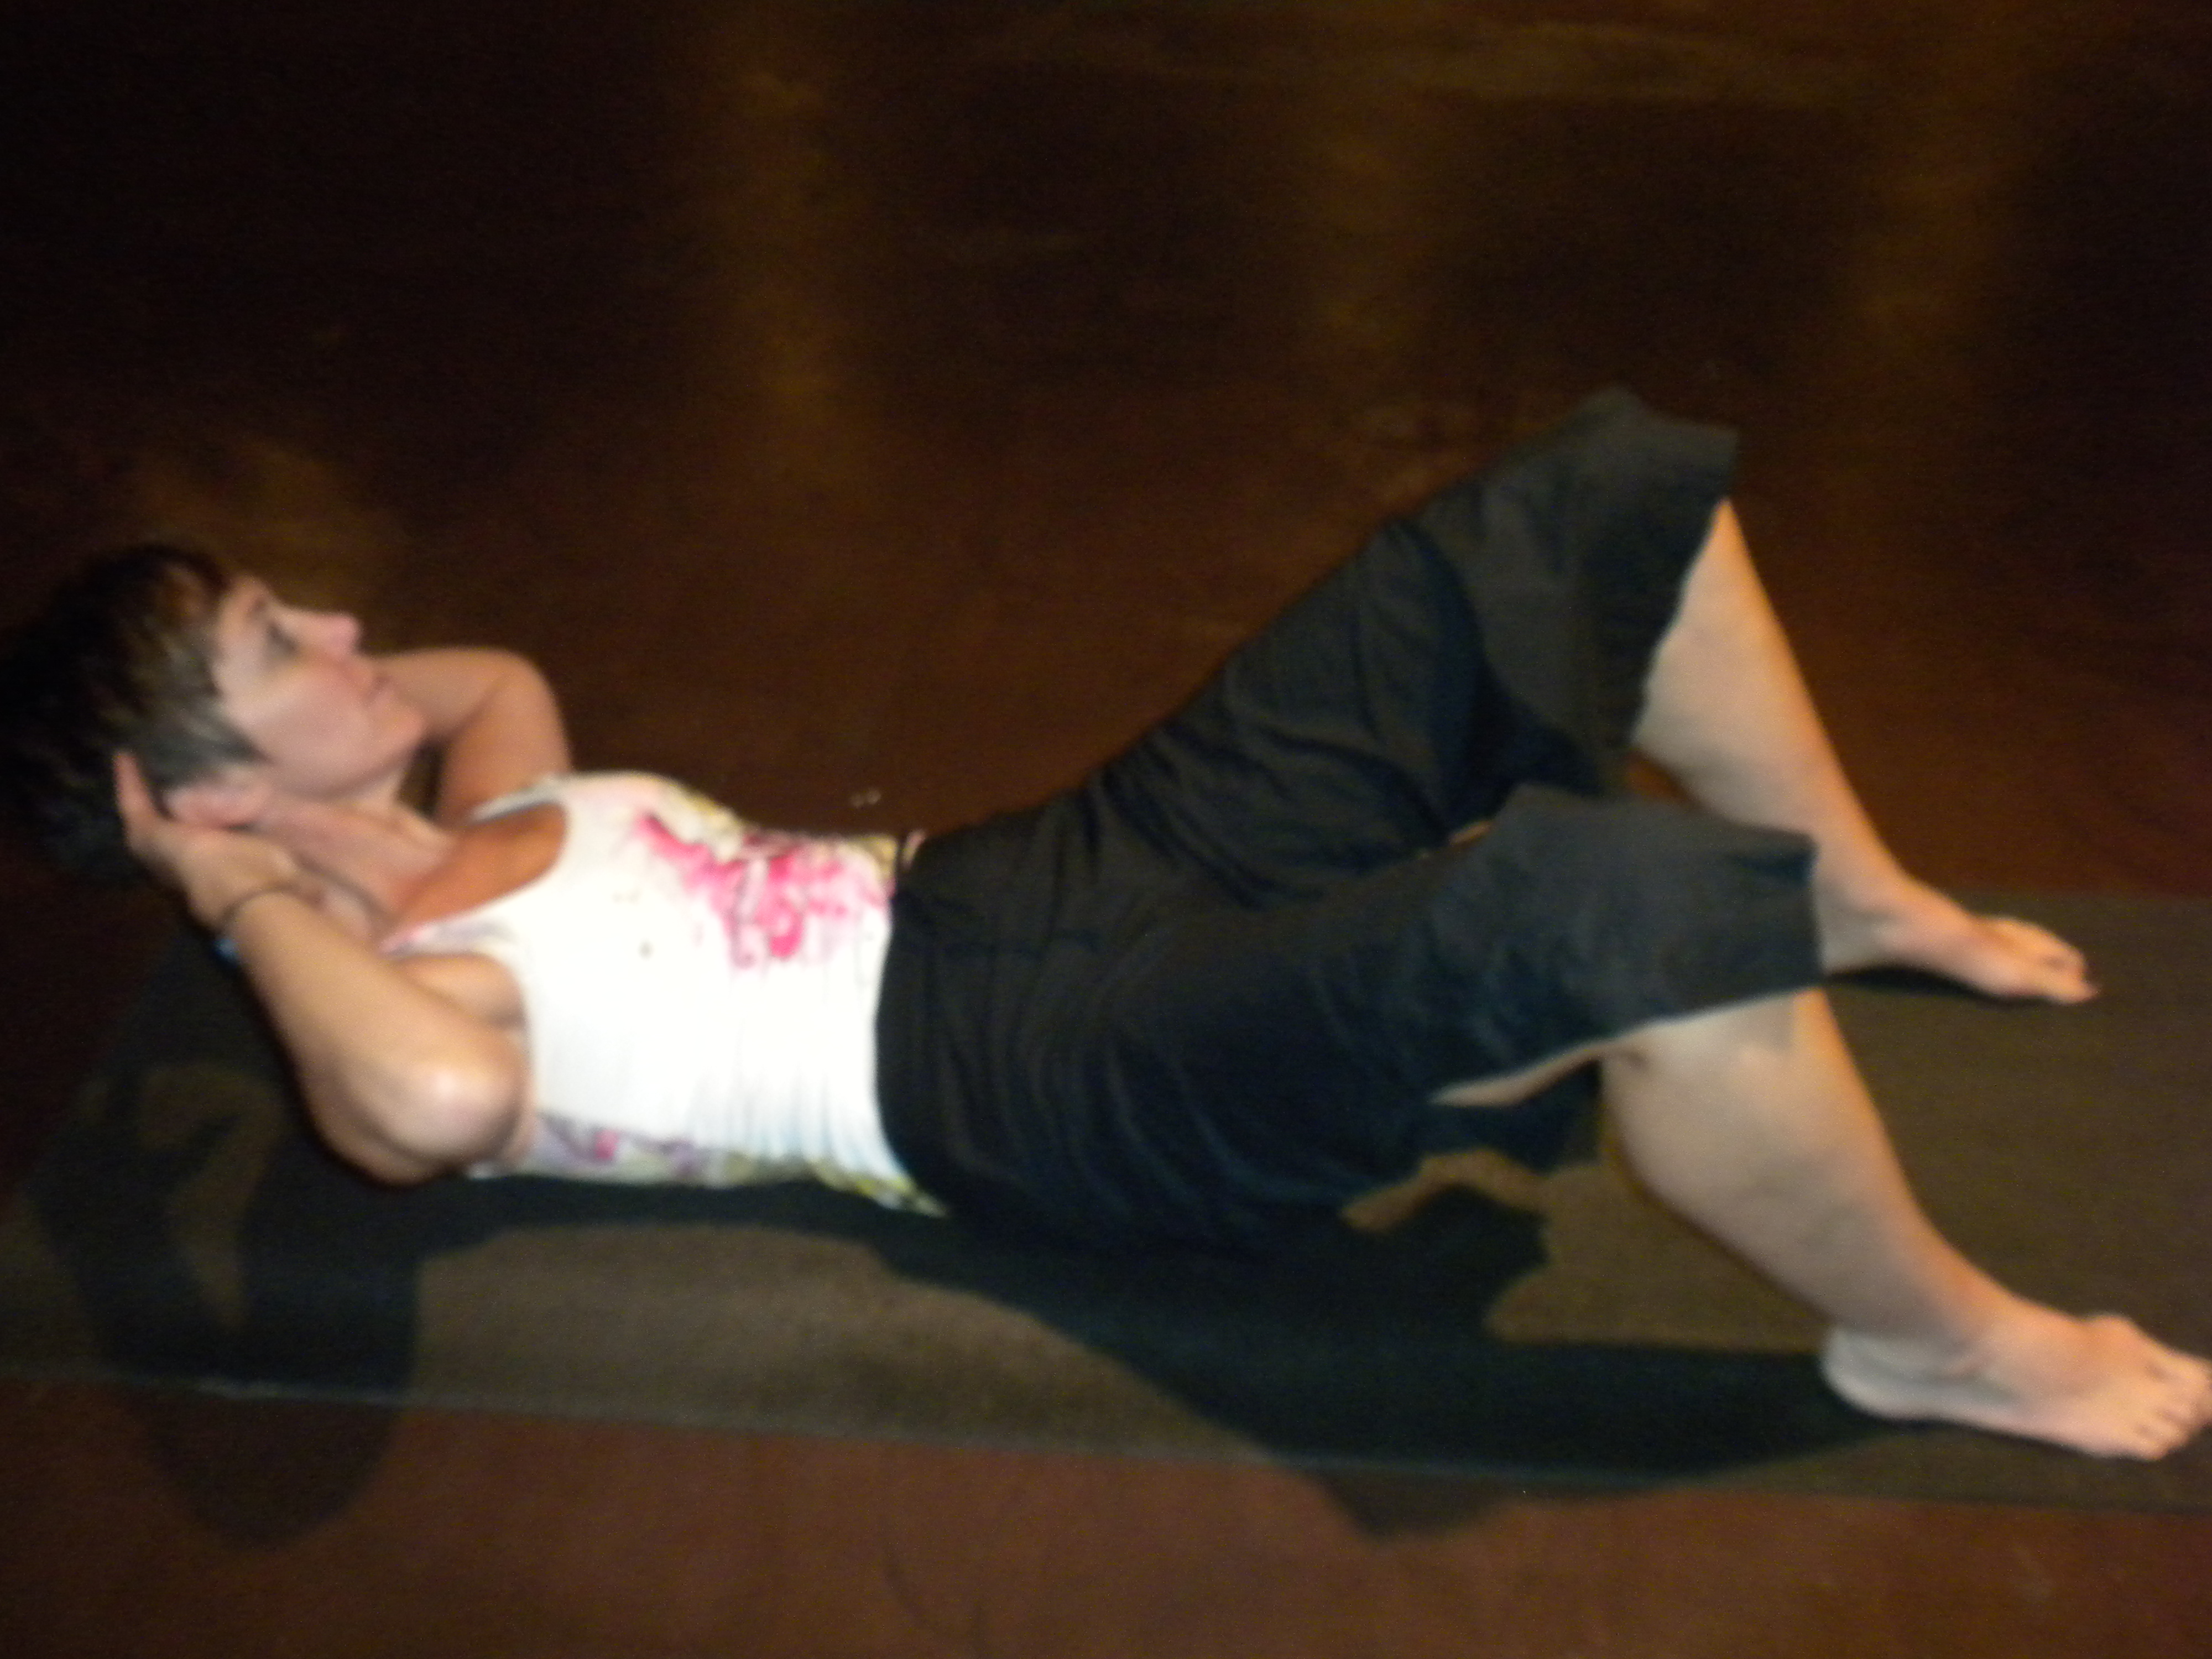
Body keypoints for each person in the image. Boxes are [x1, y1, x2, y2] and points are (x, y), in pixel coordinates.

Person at [2, 390, 2205, 1460]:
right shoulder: (407, 1006)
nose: (347, 624)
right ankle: (1933, 1341)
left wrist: (309, 788)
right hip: (1030, 1085)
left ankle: (1849, 890)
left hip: (1041, 875)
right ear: (203, 801)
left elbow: (486, 680)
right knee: (1616, 921)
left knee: (1599, 510)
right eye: (282, 643)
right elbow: (417, 1109)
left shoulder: (486, 797)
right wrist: (227, 879)